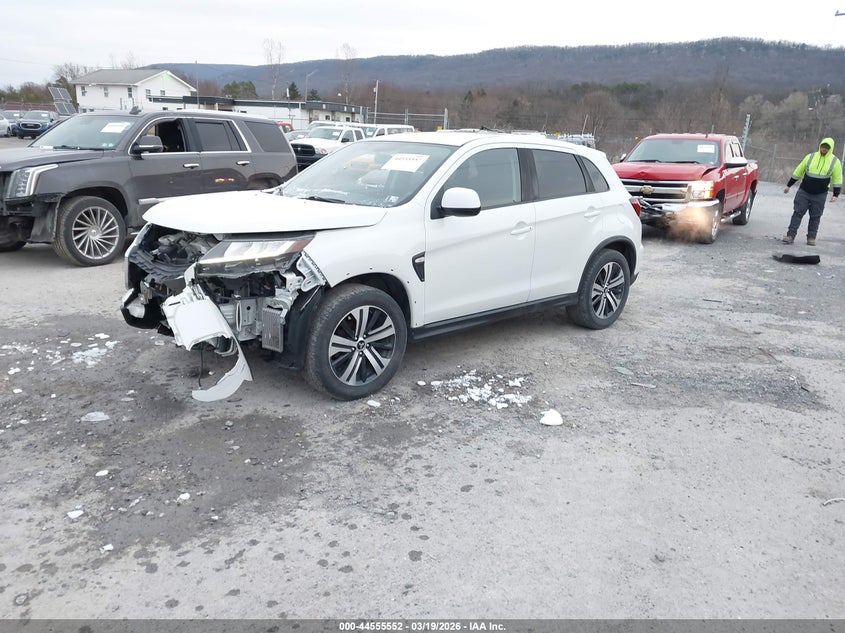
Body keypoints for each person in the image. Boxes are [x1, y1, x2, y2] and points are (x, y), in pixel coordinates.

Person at [782, 137, 842, 245]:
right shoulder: (810, 157)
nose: (824, 149)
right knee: (797, 213)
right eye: (823, 147)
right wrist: (789, 185)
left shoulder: (835, 162)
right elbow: (798, 171)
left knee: (815, 216)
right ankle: (790, 235)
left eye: (827, 148)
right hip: (804, 191)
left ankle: (811, 237)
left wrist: (835, 194)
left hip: (820, 194)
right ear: (820, 146)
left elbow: (837, 178)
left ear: (830, 149)